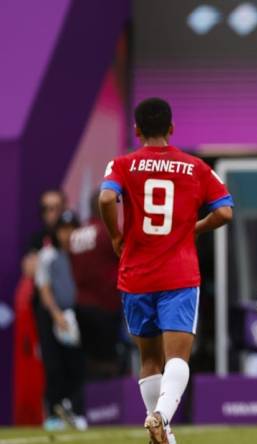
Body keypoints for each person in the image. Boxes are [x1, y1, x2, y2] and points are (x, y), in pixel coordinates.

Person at [99, 97, 233, 444]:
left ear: (136, 129)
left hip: (136, 274)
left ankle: (164, 432)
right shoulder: (196, 167)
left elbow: (104, 198)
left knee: (149, 359)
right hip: (179, 274)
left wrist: (116, 235)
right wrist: (195, 228)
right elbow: (225, 212)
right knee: (178, 357)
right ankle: (161, 417)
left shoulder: (123, 163)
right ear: (171, 129)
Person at [34, 210, 88, 431]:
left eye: (71, 229)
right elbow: (44, 288)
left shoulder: (83, 255)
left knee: (77, 366)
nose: (67, 235)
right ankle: (54, 413)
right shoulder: (48, 255)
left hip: (78, 316)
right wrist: (57, 315)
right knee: (54, 366)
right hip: (53, 316)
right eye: (63, 230)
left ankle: (75, 411)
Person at [70, 190, 123, 379]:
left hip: (81, 305)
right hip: (105, 306)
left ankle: (91, 403)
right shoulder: (107, 232)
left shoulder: (76, 234)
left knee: (90, 360)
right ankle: (108, 404)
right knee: (108, 361)